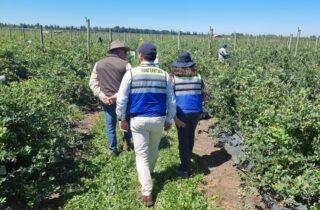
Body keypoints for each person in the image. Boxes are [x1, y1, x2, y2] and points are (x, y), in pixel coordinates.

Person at [116, 42, 176, 207]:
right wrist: (169, 119)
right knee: (153, 148)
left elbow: (122, 99)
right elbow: (171, 100)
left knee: (141, 154)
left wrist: (121, 118)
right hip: (158, 119)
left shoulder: (131, 74)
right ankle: (148, 174)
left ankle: (147, 191)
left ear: (140, 56)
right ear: (155, 56)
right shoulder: (164, 75)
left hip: (138, 119)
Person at [89, 40, 132, 156]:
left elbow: (92, 83)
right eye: (124, 51)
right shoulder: (126, 65)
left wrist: (103, 96)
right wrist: (117, 96)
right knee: (126, 120)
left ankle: (112, 151)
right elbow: (130, 84)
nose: (126, 54)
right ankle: (127, 143)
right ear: (118, 51)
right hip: (123, 99)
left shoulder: (98, 64)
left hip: (106, 101)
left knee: (110, 124)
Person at [171, 51, 208, 178]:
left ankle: (185, 169)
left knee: (182, 139)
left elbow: (171, 97)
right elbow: (205, 96)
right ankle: (189, 153)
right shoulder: (198, 77)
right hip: (196, 112)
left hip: (182, 112)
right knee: (190, 133)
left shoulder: (174, 79)